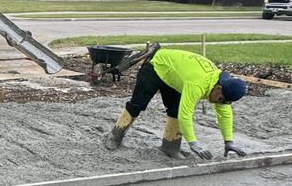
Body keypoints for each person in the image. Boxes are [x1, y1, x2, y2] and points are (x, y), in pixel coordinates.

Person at [105, 46, 248, 159]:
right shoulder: (198, 84)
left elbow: (225, 115)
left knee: (175, 109)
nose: (219, 103)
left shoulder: (222, 88)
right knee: (137, 105)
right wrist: (194, 144)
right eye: (220, 100)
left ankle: (170, 146)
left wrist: (229, 142)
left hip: (174, 77)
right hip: (156, 66)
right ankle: (115, 136)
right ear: (219, 88)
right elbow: (185, 115)